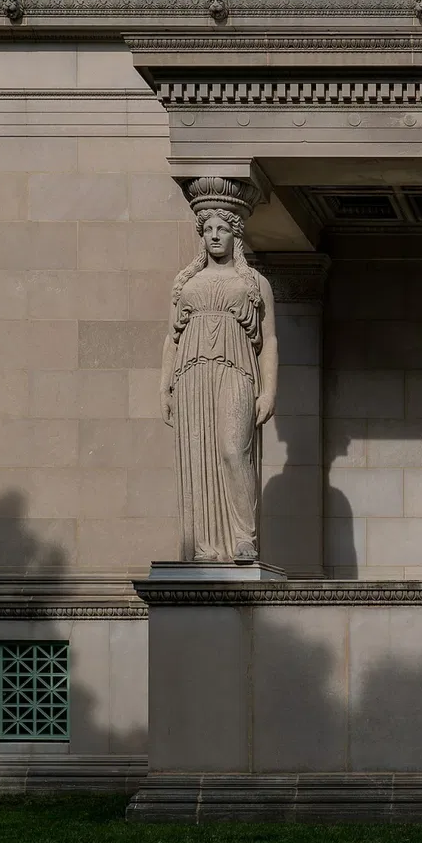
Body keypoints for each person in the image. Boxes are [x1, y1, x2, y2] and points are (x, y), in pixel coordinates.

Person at [160, 178, 277, 563]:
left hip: (236, 368)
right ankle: (203, 547)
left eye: (222, 228)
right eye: (208, 229)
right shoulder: (185, 282)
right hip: (192, 373)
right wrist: (165, 386)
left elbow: (270, 341)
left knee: (232, 449)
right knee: (198, 454)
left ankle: (244, 537)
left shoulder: (253, 282)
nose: (214, 235)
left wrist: (269, 391)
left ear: (235, 235)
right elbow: (172, 337)